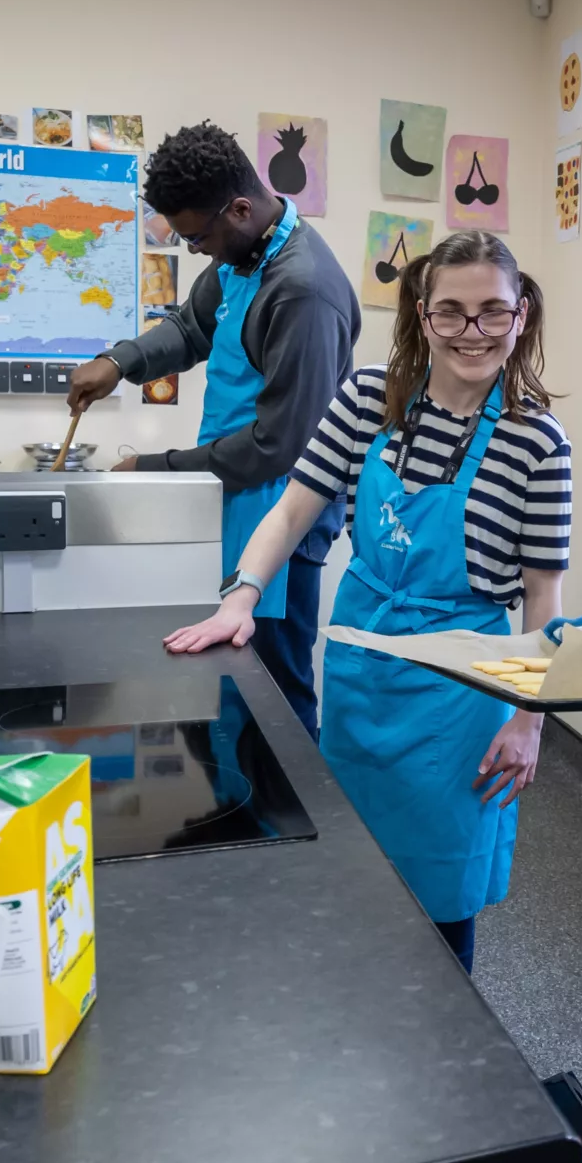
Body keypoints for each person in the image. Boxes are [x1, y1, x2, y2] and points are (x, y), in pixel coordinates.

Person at [163, 232, 569, 973]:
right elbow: (290, 510)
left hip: (461, 689)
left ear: (521, 314)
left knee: (441, 900)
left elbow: (544, 596)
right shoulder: (367, 400)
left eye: (491, 312)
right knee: (355, 877)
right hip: (363, 666)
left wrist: (528, 721)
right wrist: (241, 595)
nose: (470, 332)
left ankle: (444, 1053)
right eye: (450, 311)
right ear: (421, 313)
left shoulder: (538, 441)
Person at [67, 122, 359, 736]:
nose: (196, 249)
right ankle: (235, 803)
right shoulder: (242, 255)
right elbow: (191, 327)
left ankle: (294, 826)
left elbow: (277, 448)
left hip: (282, 513)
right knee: (227, 670)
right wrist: (119, 362)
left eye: (199, 236)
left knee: (274, 686)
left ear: (241, 208)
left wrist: (152, 471)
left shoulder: (303, 291)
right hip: (232, 494)